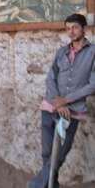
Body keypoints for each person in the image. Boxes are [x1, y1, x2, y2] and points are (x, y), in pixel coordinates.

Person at [27, 14, 95, 188]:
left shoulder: (93, 52)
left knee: (60, 153)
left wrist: (66, 101)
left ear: (84, 29)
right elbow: (51, 78)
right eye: (68, 28)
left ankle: (36, 185)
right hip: (50, 107)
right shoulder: (61, 52)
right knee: (46, 152)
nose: (71, 32)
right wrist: (58, 101)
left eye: (75, 27)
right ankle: (50, 185)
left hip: (73, 111)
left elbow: (92, 85)